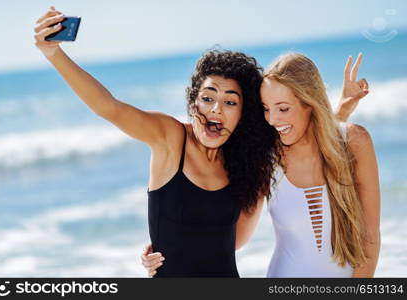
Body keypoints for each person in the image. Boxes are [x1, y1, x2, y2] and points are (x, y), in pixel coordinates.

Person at [34, 6, 278, 277]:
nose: (216, 109)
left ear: (243, 114)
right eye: (208, 98)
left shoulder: (250, 163)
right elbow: (110, 108)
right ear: (193, 100)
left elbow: (235, 241)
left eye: (230, 102)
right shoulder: (170, 138)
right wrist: (54, 54)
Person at [142, 53, 380, 277]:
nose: (273, 120)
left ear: (310, 102)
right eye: (266, 109)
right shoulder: (267, 159)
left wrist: (342, 110)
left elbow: (370, 235)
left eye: (283, 108)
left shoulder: (355, 142)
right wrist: (169, 247)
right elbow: (232, 238)